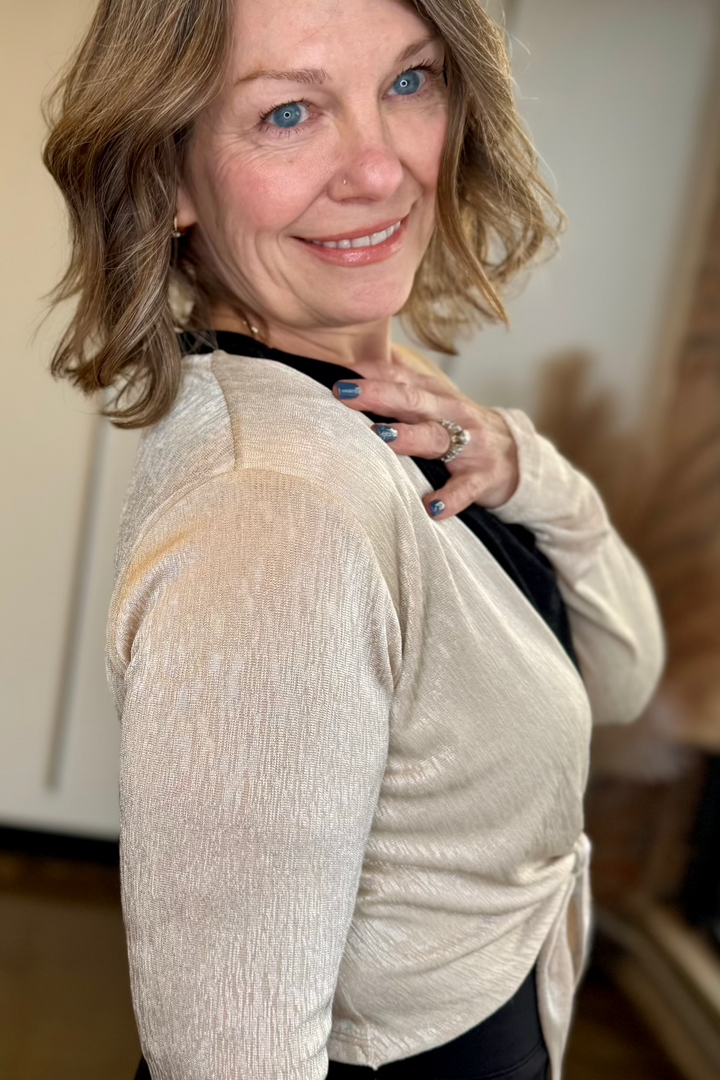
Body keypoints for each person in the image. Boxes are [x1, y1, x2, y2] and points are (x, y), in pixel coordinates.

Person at [42, 0, 666, 1076]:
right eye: (289, 112)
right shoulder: (275, 514)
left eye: (410, 82)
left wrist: (525, 468)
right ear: (175, 174)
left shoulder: (387, 412)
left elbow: (620, 675)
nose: (379, 170)